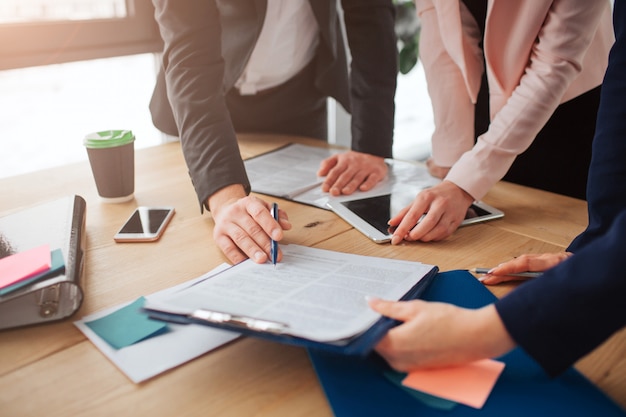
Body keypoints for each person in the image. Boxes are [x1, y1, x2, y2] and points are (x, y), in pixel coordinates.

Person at [369, 0, 626, 377]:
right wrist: (594, 251)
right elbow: (441, 32)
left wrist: (484, 331)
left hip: (569, 98)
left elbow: (556, 62)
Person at [149, 1, 398, 264]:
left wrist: (371, 147)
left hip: (300, 97)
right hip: (209, 106)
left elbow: (372, 19)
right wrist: (225, 199)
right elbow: (191, 59)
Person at [389, 0, 614, 245]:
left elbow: (554, 63)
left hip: (568, 103)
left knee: (556, 240)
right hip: (482, 87)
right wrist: (453, 159)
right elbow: (440, 32)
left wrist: (464, 183)